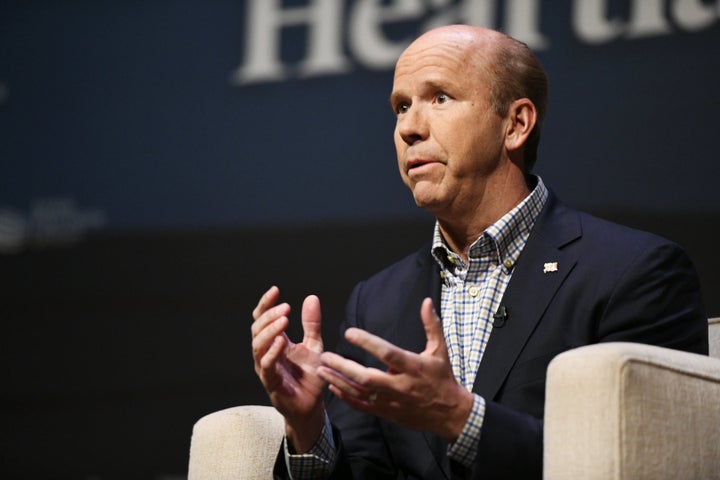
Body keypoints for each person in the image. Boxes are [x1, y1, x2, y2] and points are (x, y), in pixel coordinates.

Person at [250, 24, 708, 479]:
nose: (409, 127)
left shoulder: (634, 273)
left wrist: (461, 420)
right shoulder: (376, 304)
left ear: (516, 124)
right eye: (401, 106)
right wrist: (309, 430)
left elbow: (640, 457)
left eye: (440, 98)